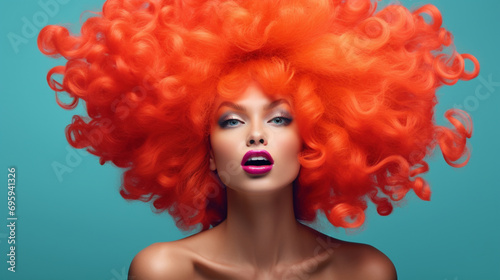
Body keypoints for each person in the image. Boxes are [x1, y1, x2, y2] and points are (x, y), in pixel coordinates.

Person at [37, 0, 479, 279]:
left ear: (315, 140)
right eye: (230, 122)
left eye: (280, 120)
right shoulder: (164, 270)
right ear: (202, 152)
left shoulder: (365, 271)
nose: (255, 137)